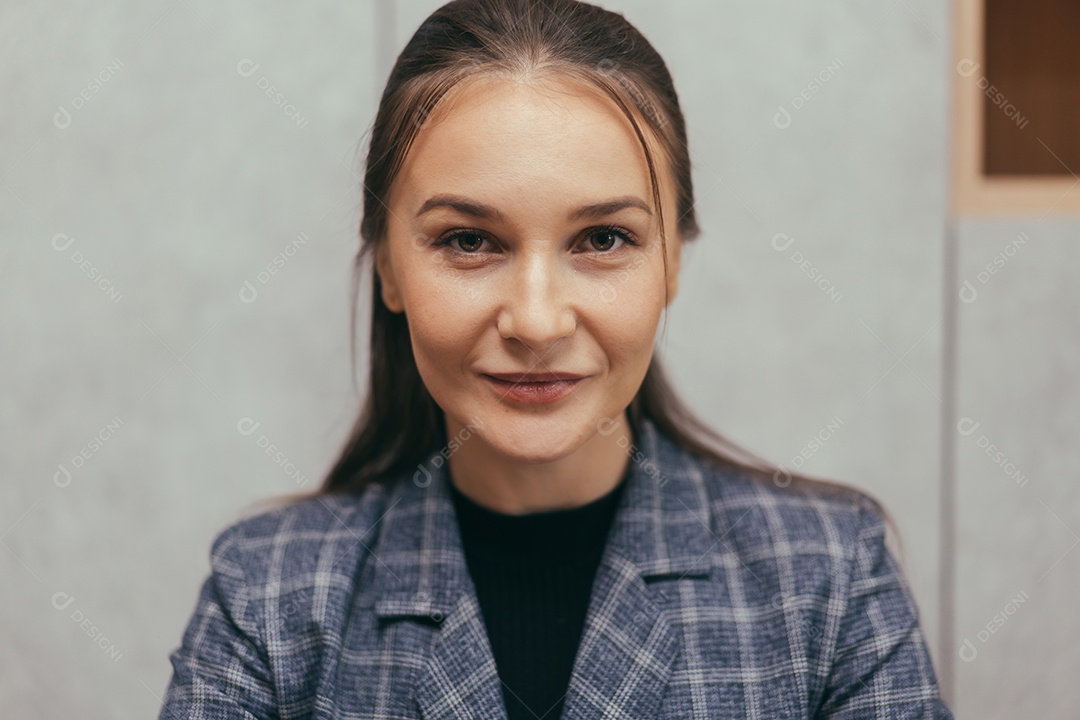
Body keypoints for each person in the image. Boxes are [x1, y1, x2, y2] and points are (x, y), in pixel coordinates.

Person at [159, 0, 954, 717]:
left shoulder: (829, 582)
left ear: (673, 260)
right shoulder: (265, 601)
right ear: (391, 268)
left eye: (604, 239)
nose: (536, 320)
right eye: (469, 241)